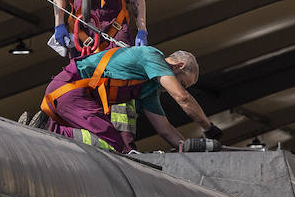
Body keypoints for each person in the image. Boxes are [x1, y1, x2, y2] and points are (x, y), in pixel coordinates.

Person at [40, 46, 220, 154]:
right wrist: (207, 127)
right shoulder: (150, 56)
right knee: (111, 142)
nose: (179, 87)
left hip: (75, 97)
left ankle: (52, 129)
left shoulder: (148, 89)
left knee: (114, 143)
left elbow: (165, 129)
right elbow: (183, 98)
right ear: (179, 66)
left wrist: (188, 148)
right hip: (70, 90)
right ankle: (51, 130)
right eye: (182, 82)